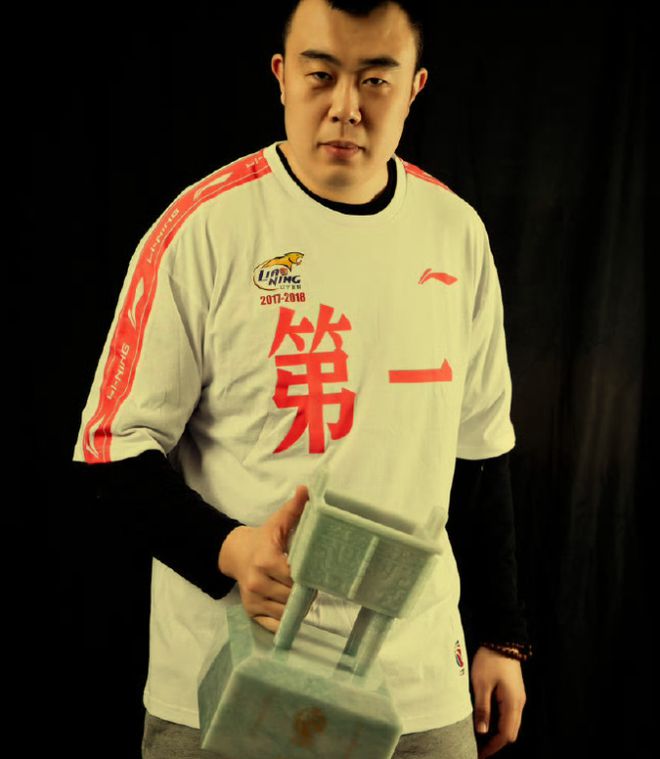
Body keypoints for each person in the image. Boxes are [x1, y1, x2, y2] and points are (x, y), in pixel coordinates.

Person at [72, 1, 531, 757]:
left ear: (414, 88)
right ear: (282, 76)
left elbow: (481, 454)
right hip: (231, 688)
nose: (346, 107)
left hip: (418, 687)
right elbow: (109, 457)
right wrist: (231, 550)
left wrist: (503, 635)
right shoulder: (205, 229)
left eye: (376, 80)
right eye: (322, 75)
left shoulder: (456, 233)